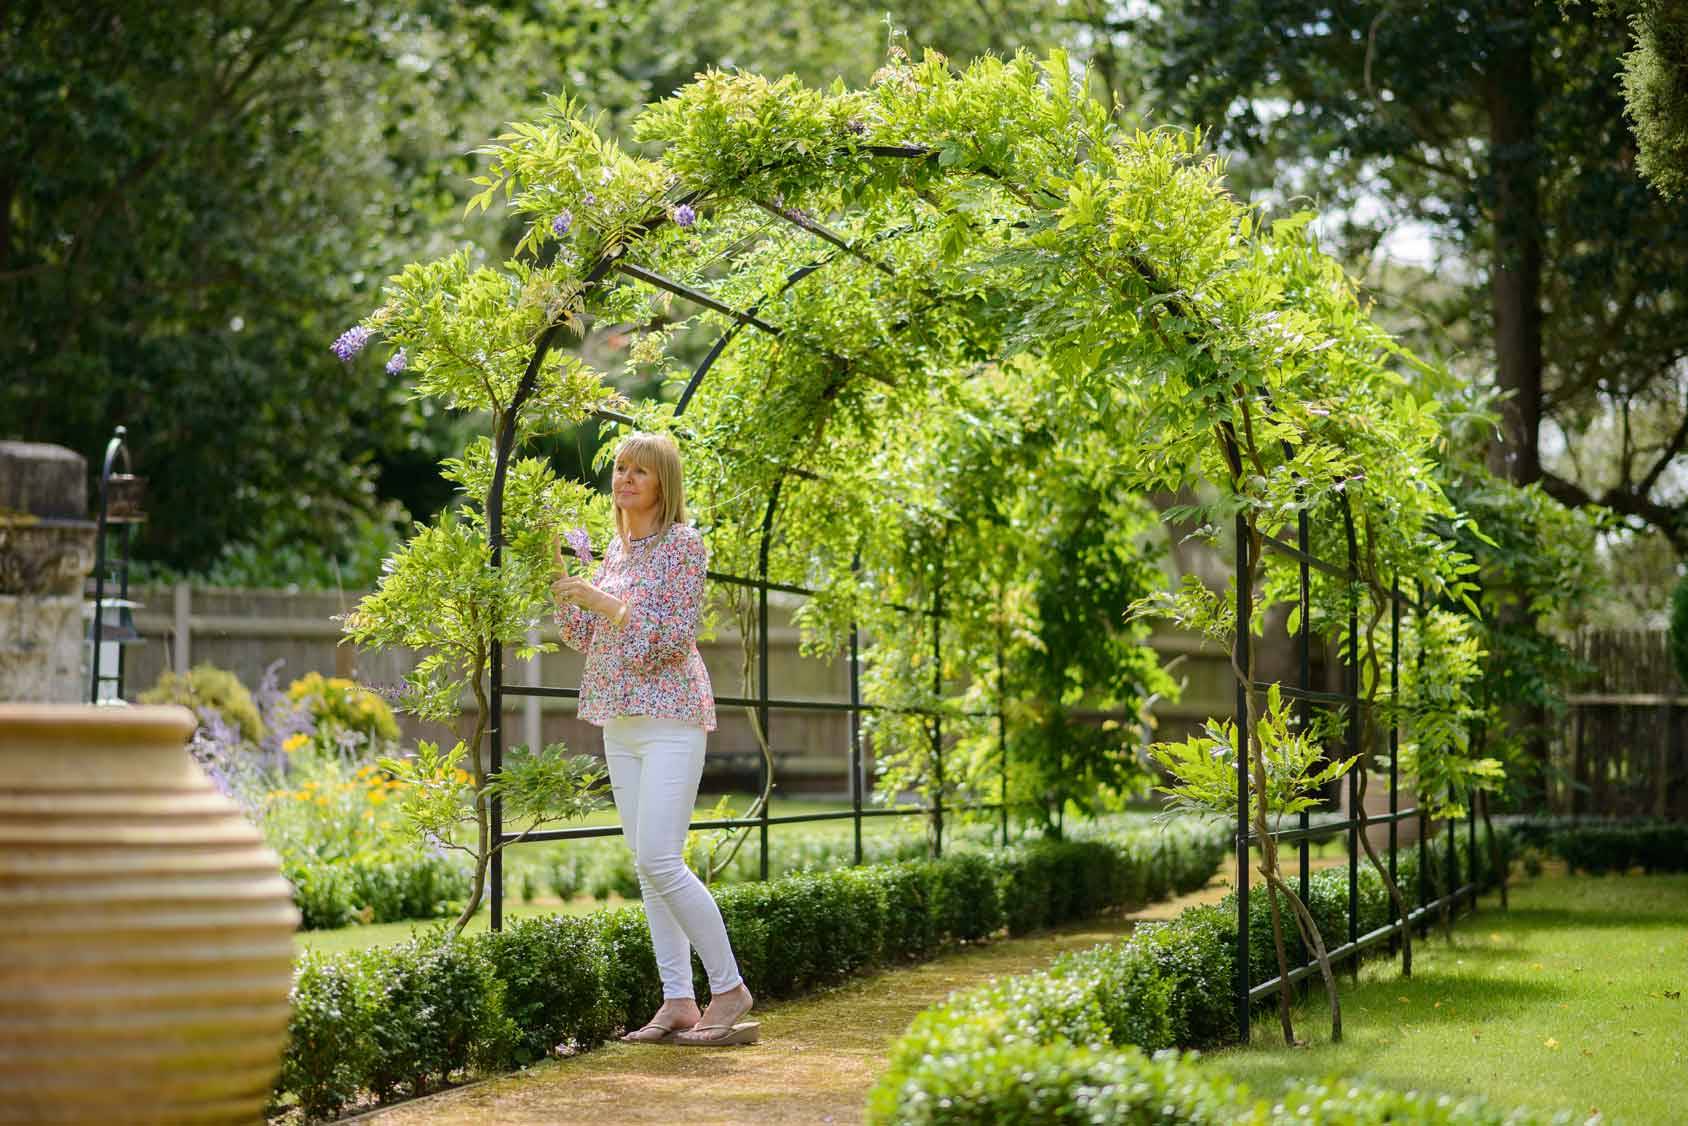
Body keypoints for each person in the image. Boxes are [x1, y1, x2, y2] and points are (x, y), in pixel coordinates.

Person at [550, 431, 758, 1048]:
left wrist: (604, 602)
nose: (625, 480)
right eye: (619, 469)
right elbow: (585, 638)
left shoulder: (683, 546)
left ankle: (730, 989)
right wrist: (565, 583)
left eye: (640, 471)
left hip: (671, 720)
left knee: (662, 858)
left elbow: (669, 637)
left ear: (664, 483)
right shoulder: (613, 553)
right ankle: (678, 999)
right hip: (621, 721)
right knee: (647, 866)